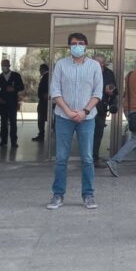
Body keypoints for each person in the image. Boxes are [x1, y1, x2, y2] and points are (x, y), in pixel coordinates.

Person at [46, 32, 103, 210]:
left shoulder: (94, 66)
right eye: (73, 43)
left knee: (87, 158)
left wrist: (84, 111)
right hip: (64, 117)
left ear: (86, 45)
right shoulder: (61, 65)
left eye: (80, 43)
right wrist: (69, 112)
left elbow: (97, 93)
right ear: (69, 46)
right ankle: (58, 195)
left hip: (87, 118)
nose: (77, 46)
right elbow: (55, 91)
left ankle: (88, 195)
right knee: (61, 158)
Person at [91, 54, 119, 168]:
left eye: (97, 62)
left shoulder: (109, 73)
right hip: (87, 108)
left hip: (101, 108)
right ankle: (88, 158)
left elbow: (114, 90)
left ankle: (94, 158)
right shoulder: (88, 71)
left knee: (98, 134)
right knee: (87, 134)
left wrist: (111, 92)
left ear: (102, 63)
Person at [0, 59, 24, 148]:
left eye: (5, 65)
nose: (4, 67)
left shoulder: (16, 76)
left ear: (9, 65)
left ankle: (14, 141)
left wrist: (14, 88)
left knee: (13, 122)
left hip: (12, 102)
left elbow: (22, 87)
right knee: (3, 122)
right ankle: (3, 141)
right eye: (2, 65)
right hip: (2, 103)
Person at [32, 62, 49, 142]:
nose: (39, 71)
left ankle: (41, 135)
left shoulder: (46, 77)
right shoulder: (46, 76)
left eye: (40, 69)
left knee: (41, 118)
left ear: (43, 69)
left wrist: (45, 95)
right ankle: (41, 134)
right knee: (41, 118)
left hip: (44, 102)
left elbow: (45, 88)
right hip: (43, 100)